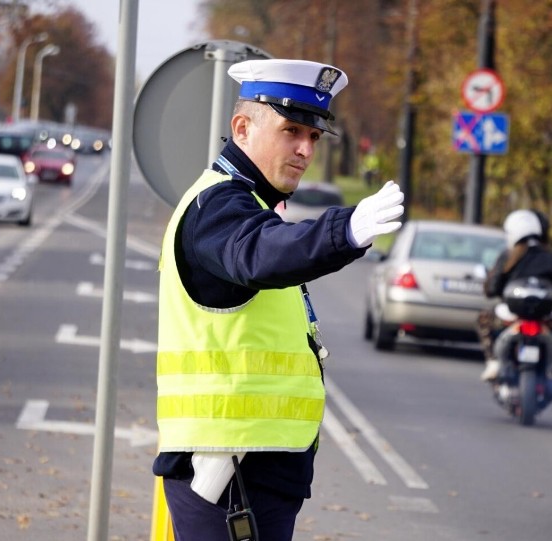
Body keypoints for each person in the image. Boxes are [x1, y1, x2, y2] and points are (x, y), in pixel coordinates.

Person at [152, 58, 404, 541]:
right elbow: (260, 253)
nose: (305, 149)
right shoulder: (217, 206)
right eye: (291, 130)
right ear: (242, 128)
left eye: (314, 136)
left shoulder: (247, 205)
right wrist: (344, 230)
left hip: (249, 472)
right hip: (226, 477)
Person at [478, 209, 552, 382]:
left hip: (510, 316)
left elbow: (491, 289)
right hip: (546, 318)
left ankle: (493, 361)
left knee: (484, 318)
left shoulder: (508, 257)